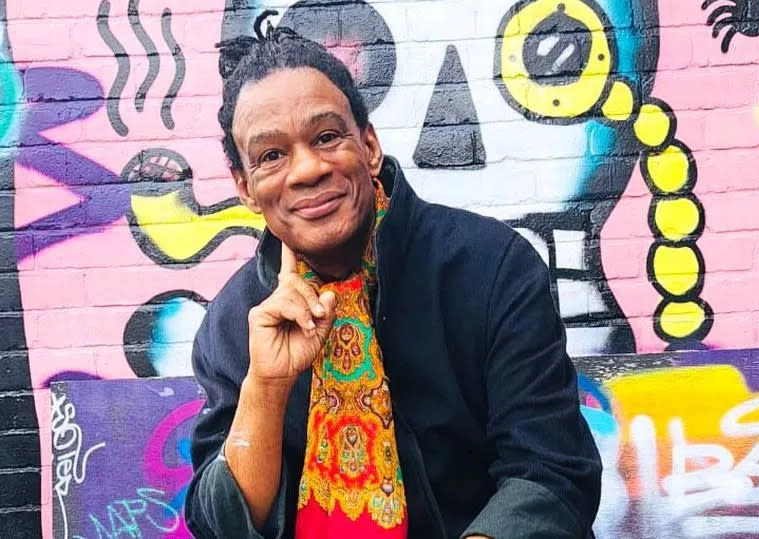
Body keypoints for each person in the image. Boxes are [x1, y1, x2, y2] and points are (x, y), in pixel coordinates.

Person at [185, 12, 601, 539]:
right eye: (271, 155)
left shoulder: (493, 268)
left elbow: (552, 474)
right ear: (245, 187)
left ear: (370, 145)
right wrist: (266, 386)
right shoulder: (232, 323)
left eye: (328, 136)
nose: (307, 169)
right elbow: (220, 526)